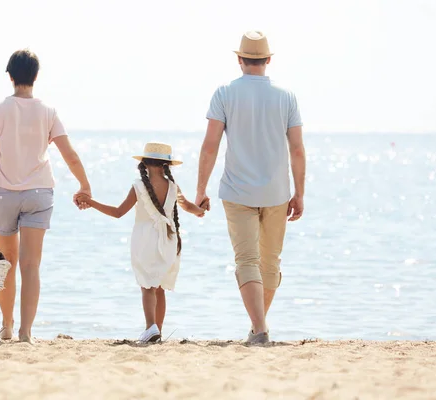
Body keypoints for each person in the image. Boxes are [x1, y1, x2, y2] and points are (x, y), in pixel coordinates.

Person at [0, 49, 91, 344]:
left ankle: (6, 326)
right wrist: (85, 184)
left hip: (3, 195)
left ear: (10, 76)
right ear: (35, 76)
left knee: (6, 261)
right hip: (38, 193)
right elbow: (69, 154)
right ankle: (26, 333)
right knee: (31, 266)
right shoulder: (48, 111)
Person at [196, 31, 306, 344]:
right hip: (276, 192)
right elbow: (297, 149)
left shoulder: (224, 93)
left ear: (240, 59)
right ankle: (259, 328)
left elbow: (210, 145)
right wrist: (299, 193)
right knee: (270, 263)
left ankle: (259, 329)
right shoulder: (286, 96)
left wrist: (200, 190)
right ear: (268, 60)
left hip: (237, 191)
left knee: (247, 261)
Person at [76, 143, 205, 342]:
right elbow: (188, 206)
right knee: (160, 287)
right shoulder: (172, 186)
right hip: (170, 240)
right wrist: (200, 211)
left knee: (147, 286)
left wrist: (91, 202)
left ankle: (149, 327)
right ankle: (157, 331)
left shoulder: (139, 186)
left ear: (144, 164)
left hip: (146, 240)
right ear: (166, 165)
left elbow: (118, 213)